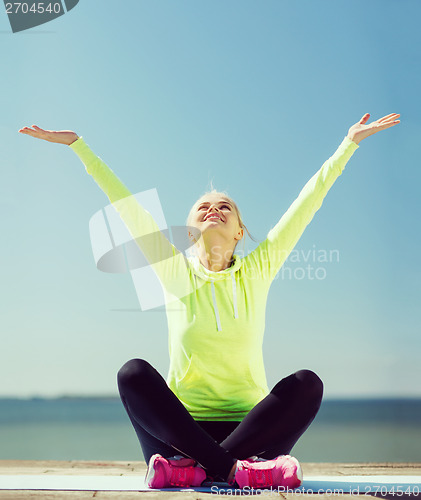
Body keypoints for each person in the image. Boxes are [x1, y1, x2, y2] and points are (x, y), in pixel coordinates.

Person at [19, 113, 400, 489]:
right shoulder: (174, 270)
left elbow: (307, 203)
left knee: (307, 384)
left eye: (224, 207)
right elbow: (126, 208)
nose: (213, 210)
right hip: (180, 431)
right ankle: (236, 469)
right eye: (203, 208)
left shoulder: (258, 269)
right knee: (132, 374)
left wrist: (348, 145)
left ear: (239, 233)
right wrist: (79, 147)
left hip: (250, 428)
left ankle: (199, 468)